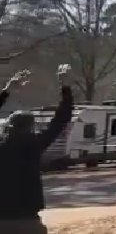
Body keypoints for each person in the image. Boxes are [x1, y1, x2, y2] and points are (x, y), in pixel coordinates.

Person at [0, 65, 74, 234]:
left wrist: (6, 91)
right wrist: (65, 87)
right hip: (29, 221)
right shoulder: (35, 144)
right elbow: (61, 119)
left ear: (7, 128)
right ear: (31, 128)